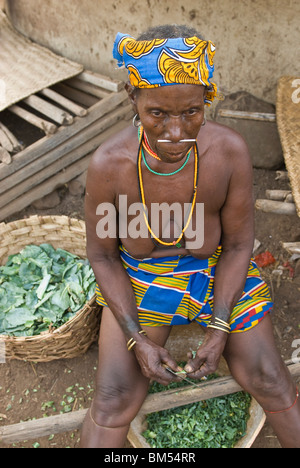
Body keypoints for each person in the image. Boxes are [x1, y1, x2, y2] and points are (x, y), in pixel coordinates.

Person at [80, 24, 300, 448]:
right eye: (157, 113)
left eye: (191, 113)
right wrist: (136, 338)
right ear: (133, 98)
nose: (176, 132)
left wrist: (219, 328)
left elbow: (237, 246)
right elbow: (103, 256)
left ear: (207, 101)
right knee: (112, 400)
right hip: (142, 276)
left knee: (270, 378)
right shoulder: (109, 165)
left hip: (218, 269)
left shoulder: (229, 152)